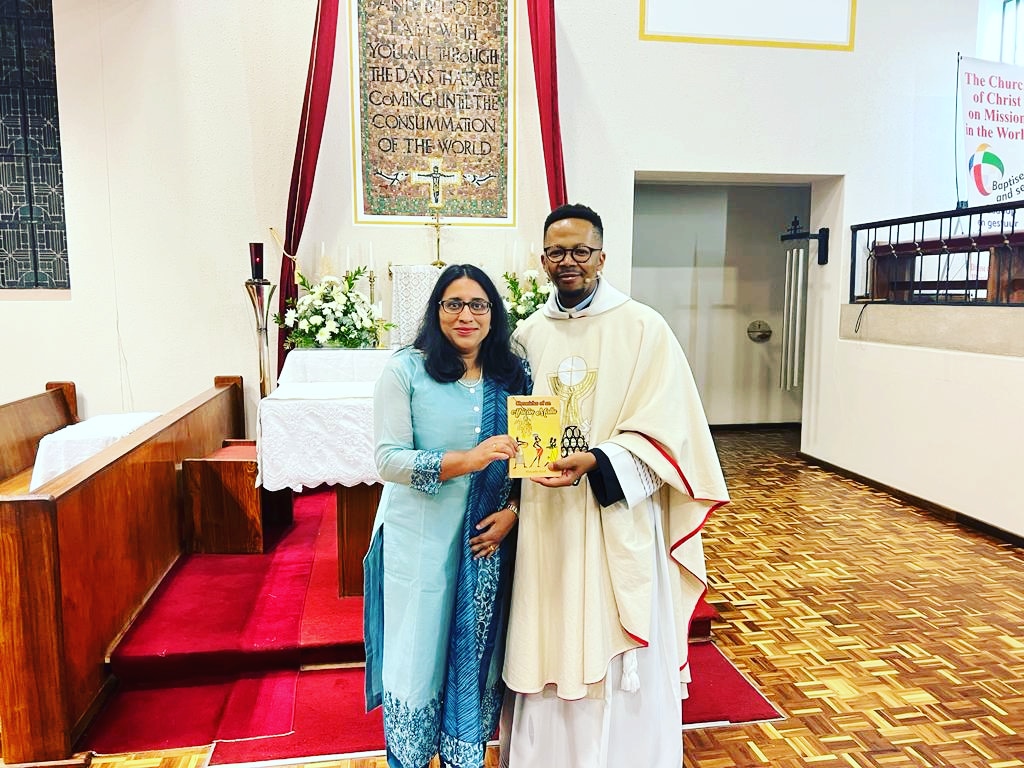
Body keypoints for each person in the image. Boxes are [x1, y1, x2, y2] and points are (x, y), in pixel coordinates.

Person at [501, 204, 730, 767]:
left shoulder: (644, 328)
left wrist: (599, 461)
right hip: (547, 515)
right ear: (543, 259)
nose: (569, 262)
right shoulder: (528, 334)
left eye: (581, 251)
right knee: (548, 626)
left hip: (615, 512)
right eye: (557, 252)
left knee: (614, 629)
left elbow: (673, 430)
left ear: (602, 257)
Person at [363, 264, 529, 768]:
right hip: (419, 540)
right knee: (416, 658)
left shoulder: (513, 375)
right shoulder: (405, 370)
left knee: (473, 657)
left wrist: (515, 514)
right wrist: (471, 459)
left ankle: (463, 755)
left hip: (484, 542)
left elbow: (530, 459)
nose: (465, 315)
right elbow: (389, 460)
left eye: (478, 304)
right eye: (453, 304)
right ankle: (409, 756)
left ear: (493, 314)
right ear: (436, 311)